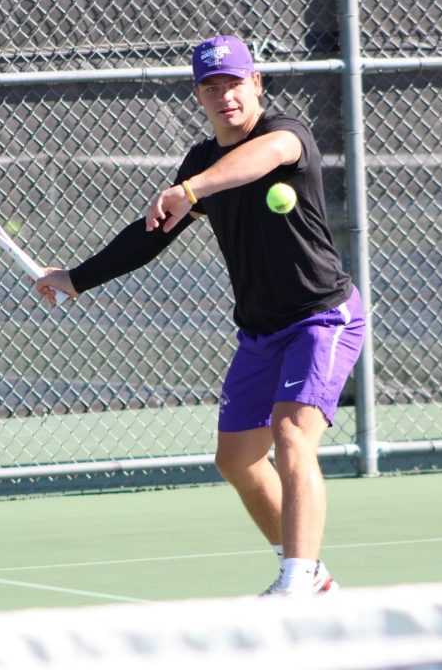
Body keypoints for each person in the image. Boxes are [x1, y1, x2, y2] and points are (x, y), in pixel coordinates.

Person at [33, 35, 366, 598]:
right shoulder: (200, 161)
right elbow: (148, 236)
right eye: (211, 87)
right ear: (198, 97)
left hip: (321, 318)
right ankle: (316, 576)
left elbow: (259, 160)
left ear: (256, 84)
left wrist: (191, 189)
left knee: (291, 438)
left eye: (234, 83)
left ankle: (296, 580)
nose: (225, 96)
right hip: (261, 332)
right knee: (236, 458)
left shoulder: (287, 134)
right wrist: (76, 278)